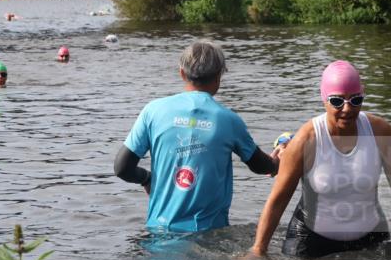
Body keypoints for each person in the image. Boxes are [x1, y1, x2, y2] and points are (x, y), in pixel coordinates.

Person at [250, 60, 391, 259]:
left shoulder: (380, 132)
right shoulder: (306, 139)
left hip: (370, 236)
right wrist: (258, 250)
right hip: (312, 239)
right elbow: (278, 200)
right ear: (324, 100)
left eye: (355, 100)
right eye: (337, 101)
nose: (347, 109)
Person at [114, 40, 279, 232]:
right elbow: (260, 166)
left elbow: (122, 168)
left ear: (182, 73)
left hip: (158, 232)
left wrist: (147, 178)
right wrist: (277, 162)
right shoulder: (229, 120)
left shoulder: (153, 111)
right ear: (219, 76)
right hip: (209, 235)